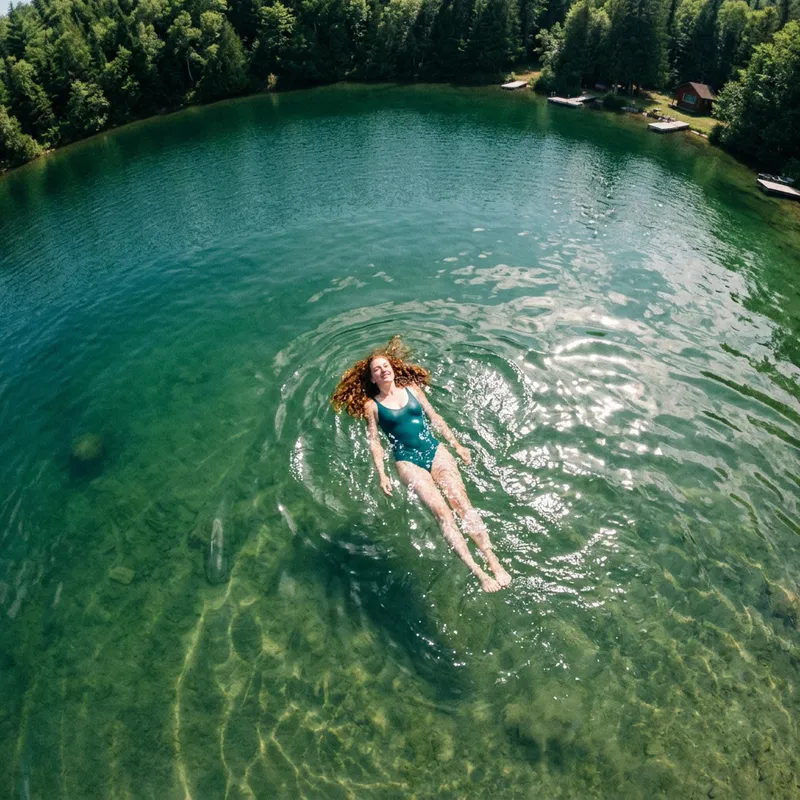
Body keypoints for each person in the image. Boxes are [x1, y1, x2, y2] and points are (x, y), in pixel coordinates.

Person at [331, 337, 512, 593]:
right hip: (407, 460)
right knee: (442, 513)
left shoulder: (413, 389)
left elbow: (435, 417)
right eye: (376, 369)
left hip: (435, 450)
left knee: (461, 503)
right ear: (372, 378)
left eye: (385, 366)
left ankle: (492, 560)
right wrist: (382, 474)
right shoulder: (372, 406)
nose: (382, 370)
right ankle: (478, 571)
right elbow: (374, 442)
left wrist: (457, 445)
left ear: (392, 368)